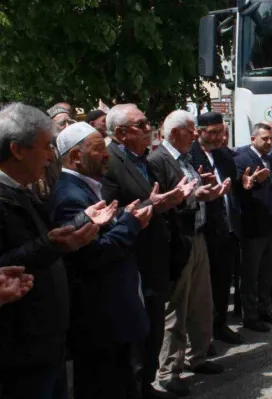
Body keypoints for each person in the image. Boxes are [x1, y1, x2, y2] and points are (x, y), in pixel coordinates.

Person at [0, 103, 99, 399]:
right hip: (20, 355)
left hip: (46, 345)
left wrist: (79, 225)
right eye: (46, 147)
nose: (50, 157)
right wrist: (50, 246)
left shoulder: (23, 190)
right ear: (18, 150)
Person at [49, 122, 152, 399]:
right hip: (100, 321)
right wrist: (130, 224)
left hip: (113, 316)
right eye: (98, 150)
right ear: (75, 157)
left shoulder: (87, 186)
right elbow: (92, 256)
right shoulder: (70, 196)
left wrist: (122, 217)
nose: (107, 155)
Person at [102, 104, 190, 399]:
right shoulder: (110, 163)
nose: (148, 127)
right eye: (140, 124)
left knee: (153, 328)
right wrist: (153, 205)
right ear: (120, 133)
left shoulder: (145, 161)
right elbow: (110, 214)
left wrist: (173, 199)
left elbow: (160, 199)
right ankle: (137, 388)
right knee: (139, 335)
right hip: (134, 261)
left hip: (158, 258)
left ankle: (147, 385)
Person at [149, 110, 230, 397]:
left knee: (201, 302)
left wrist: (206, 191)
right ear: (173, 134)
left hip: (198, 237)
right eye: (189, 130)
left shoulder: (186, 159)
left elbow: (192, 193)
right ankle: (169, 370)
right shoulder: (158, 161)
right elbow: (160, 205)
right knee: (177, 309)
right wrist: (193, 198)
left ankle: (198, 357)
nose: (195, 135)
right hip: (178, 243)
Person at [190, 112, 244, 345]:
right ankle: (202, 338)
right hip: (204, 232)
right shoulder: (190, 157)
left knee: (223, 283)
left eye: (221, 132)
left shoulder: (224, 155)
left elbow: (232, 188)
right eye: (212, 133)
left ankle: (220, 325)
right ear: (199, 132)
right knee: (202, 289)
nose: (218, 137)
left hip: (227, 230)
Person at [233, 123, 272, 330]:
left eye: (270, 138)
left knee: (268, 273)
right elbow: (237, 190)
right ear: (253, 139)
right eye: (264, 138)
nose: (269, 142)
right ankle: (250, 317)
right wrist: (250, 182)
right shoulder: (241, 159)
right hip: (253, 228)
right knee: (250, 276)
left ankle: (265, 309)